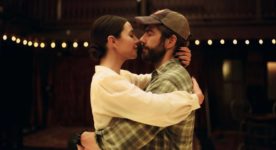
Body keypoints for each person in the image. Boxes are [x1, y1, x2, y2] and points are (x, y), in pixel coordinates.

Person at [74, 12, 204, 150]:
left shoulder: (167, 80)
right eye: (131, 35)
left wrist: (89, 140)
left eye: (149, 33)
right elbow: (152, 106)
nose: (140, 40)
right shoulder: (108, 80)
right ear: (113, 42)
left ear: (170, 41)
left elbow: (122, 140)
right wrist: (194, 99)